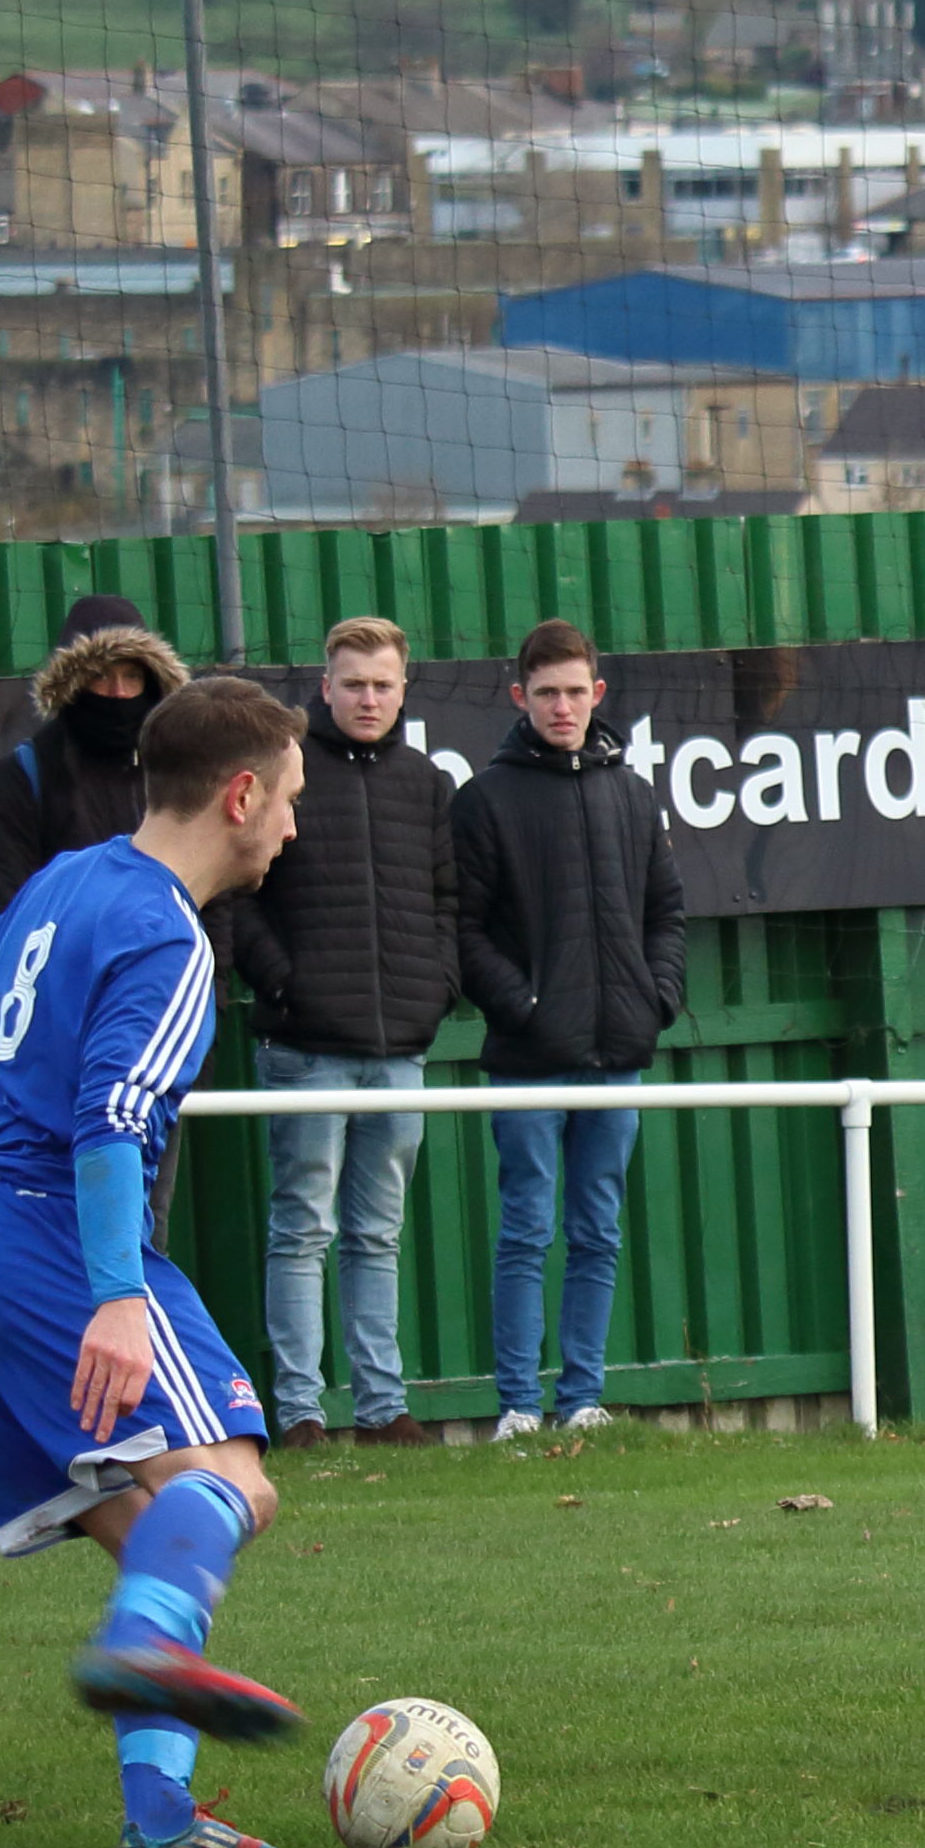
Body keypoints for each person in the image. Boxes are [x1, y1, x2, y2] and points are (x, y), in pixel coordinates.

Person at [0, 673, 314, 1848]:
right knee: (235, 1474)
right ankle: (145, 1650)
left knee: (147, 1535)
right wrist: (118, 1295)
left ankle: (160, 1821)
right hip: (47, 1231)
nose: (294, 825)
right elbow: (107, 1124)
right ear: (239, 794)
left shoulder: (58, 881)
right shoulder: (169, 934)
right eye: (289, 799)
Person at [218, 614, 458, 1449]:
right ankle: (302, 1414)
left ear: (403, 689)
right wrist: (286, 981)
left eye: (382, 684)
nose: (367, 697)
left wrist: (437, 989)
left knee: (377, 1234)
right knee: (301, 1228)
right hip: (305, 1047)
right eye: (352, 683)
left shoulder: (428, 785)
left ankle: (383, 1408)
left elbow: (447, 903)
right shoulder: (285, 772)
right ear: (325, 686)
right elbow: (235, 894)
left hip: (400, 1050)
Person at [453, 619, 687, 1438]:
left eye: (574, 691)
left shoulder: (632, 793)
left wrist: (654, 997)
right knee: (526, 1230)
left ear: (599, 693)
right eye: (545, 692)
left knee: (597, 1232)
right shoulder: (484, 800)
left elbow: (666, 912)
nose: (562, 706)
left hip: (617, 1054)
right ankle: (517, 1406)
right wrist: (524, 1008)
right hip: (527, 1061)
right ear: (520, 697)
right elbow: (465, 929)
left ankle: (581, 1399)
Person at [0, 594, 188, 959]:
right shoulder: (24, 776)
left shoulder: (174, 768)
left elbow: (210, 889)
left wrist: (209, 990)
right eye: (101, 676)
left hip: (165, 987)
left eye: (132, 676)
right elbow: (3, 906)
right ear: (73, 682)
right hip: (62, 993)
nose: (118, 692)